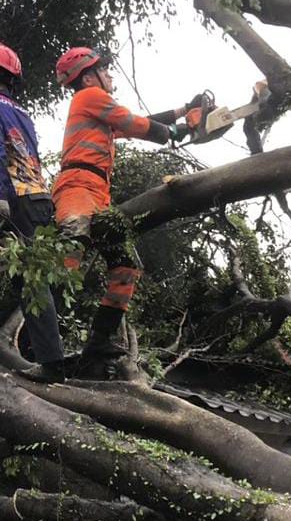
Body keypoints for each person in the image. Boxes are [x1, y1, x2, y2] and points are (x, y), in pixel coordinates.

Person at [52, 46, 194, 362]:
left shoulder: (97, 108)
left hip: (98, 194)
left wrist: (185, 112)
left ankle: (98, 342)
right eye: (104, 70)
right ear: (89, 77)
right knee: (69, 253)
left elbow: (136, 122)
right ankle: (43, 342)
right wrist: (182, 130)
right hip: (77, 186)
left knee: (126, 265)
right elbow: (137, 124)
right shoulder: (90, 97)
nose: (110, 74)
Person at [0, 42, 66, 381]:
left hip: (16, 198)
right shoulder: (22, 112)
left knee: (28, 282)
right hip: (40, 198)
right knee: (35, 276)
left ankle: (52, 365)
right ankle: (54, 359)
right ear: (13, 78)